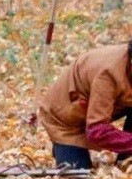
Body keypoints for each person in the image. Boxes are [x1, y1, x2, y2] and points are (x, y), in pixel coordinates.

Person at [38, 41, 132, 169]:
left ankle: (125, 158)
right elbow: (97, 130)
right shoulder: (108, 75)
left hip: (105, 104)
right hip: (66, 121)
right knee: (78, 172)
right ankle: (63, 147)